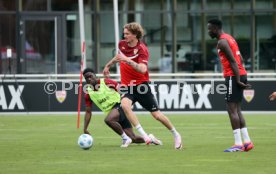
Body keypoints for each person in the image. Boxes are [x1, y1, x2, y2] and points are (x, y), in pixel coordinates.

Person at [103, 22, 182, 149]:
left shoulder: (142, 49)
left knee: (156, 115)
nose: (124, 35)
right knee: (125, 105)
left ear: (135, 35)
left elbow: (142, 69)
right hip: (127, 86)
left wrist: (127, 60)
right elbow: (119, 56)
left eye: (127, 33)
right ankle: (145, 136)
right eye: (124, 33)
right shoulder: (122, 44)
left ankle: (176, 134)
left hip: (141, 86)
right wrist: (108, 65)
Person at [82, 68, 162, 148]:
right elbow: (88, 112)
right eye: (86, 78)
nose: (89, 79)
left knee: (108, 120)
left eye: (90, 76)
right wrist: (85, 128)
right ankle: (150, 138)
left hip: (119, 106)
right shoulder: (88, 93)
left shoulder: (106, 82)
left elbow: (122, 89)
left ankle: (125, 139)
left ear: (95, 75)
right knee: (133, 138)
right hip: (114, 114)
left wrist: (128, 102)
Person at [207, 19, 254, 152]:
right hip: (240, 73)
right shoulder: (230, 38)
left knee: (231, 109)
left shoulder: (222, 41)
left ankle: (238, 144)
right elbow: (241, 59)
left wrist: (237, 80)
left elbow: (233, 61)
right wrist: (242, 76)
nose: (209, 32)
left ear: (216, 28)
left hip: (233, 76)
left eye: (210, 29)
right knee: (237, 110)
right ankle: (247, 142)